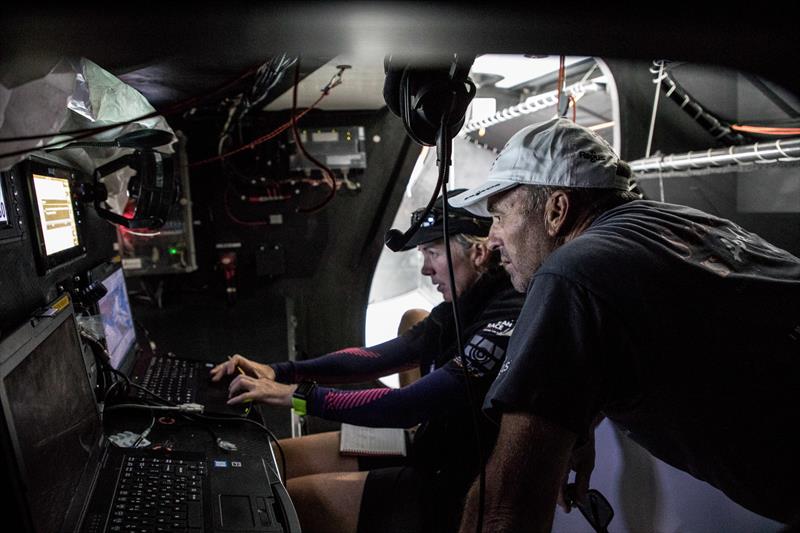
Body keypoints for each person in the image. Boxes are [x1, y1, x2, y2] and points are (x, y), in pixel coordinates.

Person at [450, 117, 800, 532]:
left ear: (556, 211)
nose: (491, 240)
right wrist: (580, 414)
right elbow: (668, 331)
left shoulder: (570, 274)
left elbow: (505, 511)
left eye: (499, 217)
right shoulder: (680, 224)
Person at [210, 190, 525, 533]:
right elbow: (379, 357)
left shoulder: (505, 315)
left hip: (452, 488)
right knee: (266, 461)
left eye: (432, 252)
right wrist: (280, 371)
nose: (425, 268)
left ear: (477, 252)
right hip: (428, 448)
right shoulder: (466, 301)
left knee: (282, 503)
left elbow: (407, 406)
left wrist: (294, 395)